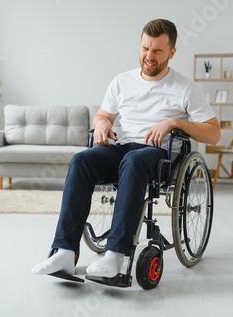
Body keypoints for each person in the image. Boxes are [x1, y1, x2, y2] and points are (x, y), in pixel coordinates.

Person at [31, 19, 221, 278]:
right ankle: (64, 252)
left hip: (158, 152)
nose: (149, 57)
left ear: (172, 53)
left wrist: (175, 122)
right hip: (123, 146)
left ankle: (115, 257)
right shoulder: (122, 81)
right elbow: (103, 115)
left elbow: (214, 133)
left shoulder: (185, 87)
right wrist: (100, 124)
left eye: (157, 51)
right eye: (145, 48)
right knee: (81, 161)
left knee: (133, 160)